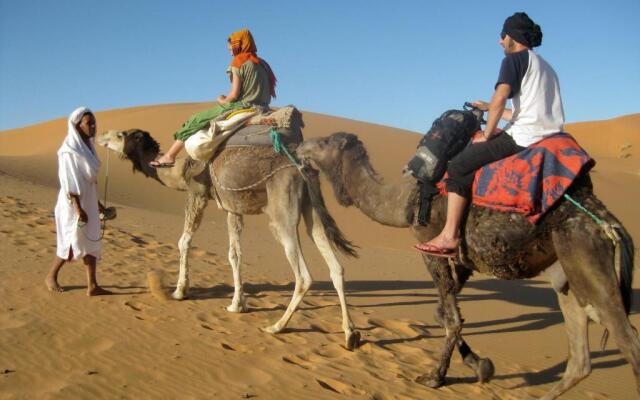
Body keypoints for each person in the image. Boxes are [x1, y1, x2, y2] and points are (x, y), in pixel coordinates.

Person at [415, 12, 565, 257]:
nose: (500, 41)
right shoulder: (546, 67)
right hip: (549, 135)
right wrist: (488, 108)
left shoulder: (514, 60)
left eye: (502, 35)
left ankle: (449, 236)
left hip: (524, 138)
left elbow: (500, 96)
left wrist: (486, 131)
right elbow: (528, 111)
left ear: (512, 37)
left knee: (459, 166)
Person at [150, 28, 277, 168]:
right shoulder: (264, 65)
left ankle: (169, 156)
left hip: (244, 106)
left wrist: (221, 100)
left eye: (232, 48)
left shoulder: (238, 62)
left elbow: (234, 95)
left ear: (239, 45)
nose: (231, 51)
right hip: (263, 107)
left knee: (195, 120)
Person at [45, 107, 112, 296]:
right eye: (88, 123)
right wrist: (78, 208)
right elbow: (69, 182)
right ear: (77, 125)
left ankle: (92, 285)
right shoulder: (68, 151)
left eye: (94, 123)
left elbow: (89, 182)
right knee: (70, 241)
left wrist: (97, 205)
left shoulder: (88, 149)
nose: (93, 126)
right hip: (72, 203)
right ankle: (51, 276)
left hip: (87, 202)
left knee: (91, 242)